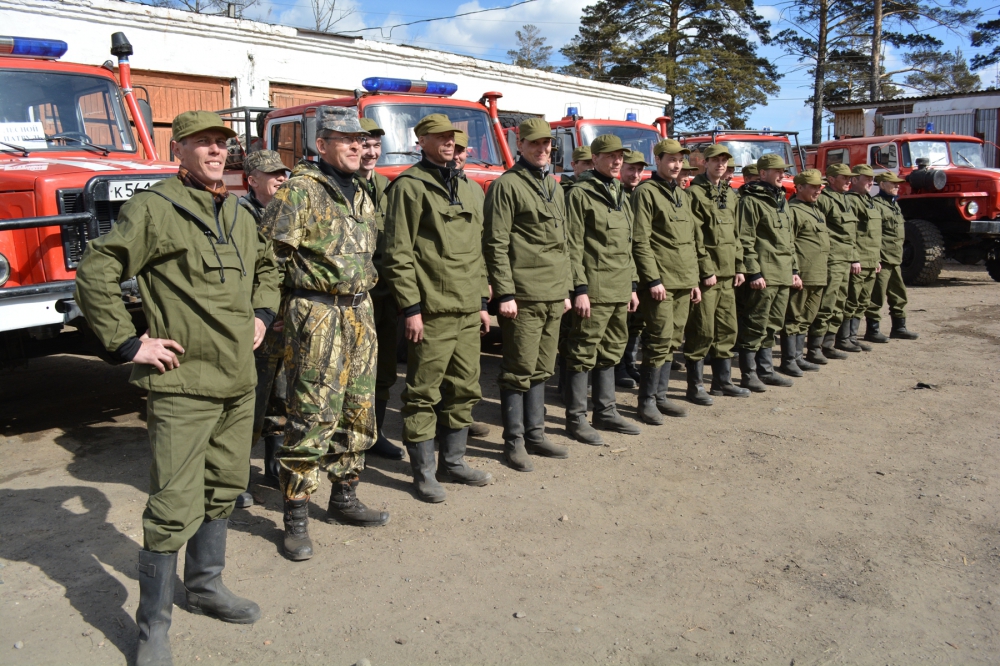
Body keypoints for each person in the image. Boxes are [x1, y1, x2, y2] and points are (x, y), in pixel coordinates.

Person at [74, 111, 280, 665]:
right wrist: (127, 343)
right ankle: (152, 629)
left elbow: (267, 266)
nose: (215, 151)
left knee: (224, 486)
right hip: (182, 382)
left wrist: (262, 312)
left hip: (239, 379)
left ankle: (207, 585)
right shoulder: (155, 208)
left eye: (222, 143)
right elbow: (96, 270)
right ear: (179, 150)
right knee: (171, 504)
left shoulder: (237, 211)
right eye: (202, 144)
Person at [261, 106, 389, 563]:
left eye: (362, 140)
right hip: (316, 312)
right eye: (346, 139)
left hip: (360, 311)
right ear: (322, 145)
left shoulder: (361, 191)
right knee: (312, 412)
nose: (358, 146)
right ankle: (295, 515)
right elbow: (269, 257)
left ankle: (345, 495)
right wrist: (269, 314)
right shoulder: (301, 191)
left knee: (359, 409)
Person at [383, 113, 494, 502]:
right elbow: (398, 253)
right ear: (422, 141)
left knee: (464, 387)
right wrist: (410, 307)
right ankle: (423, 471)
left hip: (466, 308)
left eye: (452, 137)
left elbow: (478, 253)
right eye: (440, 137)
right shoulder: (409, 188)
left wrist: (482, 302)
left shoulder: (471, 190)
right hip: (431, 310)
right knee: (423, 392)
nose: (449, 142)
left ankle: (454, 460)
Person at [483, 117, 572, 472]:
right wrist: (504, 293)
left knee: (542, 368)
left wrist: (566, 289)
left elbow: (565, 243)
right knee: (518, 369)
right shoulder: (509, 186)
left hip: (553, 294)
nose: (542, 149)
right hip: (524, 294)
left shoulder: (554, 184)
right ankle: (514, 441)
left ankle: (535, 434)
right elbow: (496, 242)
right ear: (520, 145)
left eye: (547, 144)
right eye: (534, 144)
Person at [564, 134, 641, 445]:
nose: (617, 161)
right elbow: (572, 245)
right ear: (594, 159)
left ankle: (606, 410)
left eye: (619, 155)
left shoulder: (620, 193)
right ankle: (576, 417)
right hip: (594, 290)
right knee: (582, 352)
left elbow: (628, 245)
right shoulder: (581, 194)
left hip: (619, 288)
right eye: (609, 156)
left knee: (611, 350)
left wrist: (633, 286)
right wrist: (579, 288)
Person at [630, 138, 705, 422]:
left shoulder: (682, 195)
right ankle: (646, 401)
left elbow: (689, 242)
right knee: (658, 339)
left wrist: (694, 280)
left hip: (683, 280)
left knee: (673, 340)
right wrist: (652, 279)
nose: (676, 165)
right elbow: (641, 240)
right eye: (671, 159)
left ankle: (660, 397)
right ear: (657, 159)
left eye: (680, 160)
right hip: (661, 282)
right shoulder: (646, 192)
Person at [235, 150, 290, 504]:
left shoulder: (288, 212)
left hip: (286, 322)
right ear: (252, 180)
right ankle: (235, 480)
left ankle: (274, 467)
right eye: (272, 175)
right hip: (256, 325)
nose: (281, 179)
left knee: (281, 401)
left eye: (283, 173)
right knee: (248, 406)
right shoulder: (238, 216)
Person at [684, 143, 749, 400]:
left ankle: (722, 381)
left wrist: (740, 266)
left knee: (727, 328)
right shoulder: (695, 194)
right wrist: (705, 269)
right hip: (709, 274)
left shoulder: (730, 194)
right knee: (702, 329)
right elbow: (695, 236)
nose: (720, 165)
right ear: (705, 163)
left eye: (724, 161)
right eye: (715, 160)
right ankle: (695, 385)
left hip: (728, 272)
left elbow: (736, 234)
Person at [357, 117, 406, 461]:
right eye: (364, 145)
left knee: (384, 366)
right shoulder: (337, 186)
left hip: (385, 292)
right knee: (350, 368)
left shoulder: (388, 186)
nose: (371, 152)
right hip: (353, 294)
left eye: (376, 146)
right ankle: (347, 436)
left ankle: (375, 434)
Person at [735, 153, 800, 391]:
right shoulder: (750, 201)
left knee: (772, 324)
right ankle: (749, 373)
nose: (783, 175)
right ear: (763, 174)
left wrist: (794, 269)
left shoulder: (781, 200)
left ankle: (766, 370)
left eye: (784, 171)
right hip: (764, 274)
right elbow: (745, 239)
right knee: (755, 323)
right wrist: (753, 272)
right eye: (777, 171)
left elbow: (789, 240)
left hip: (782, 274)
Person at [807, 163, 861, 364]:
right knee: (826, 303)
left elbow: (850, 234)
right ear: (830, 179)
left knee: (839, 302)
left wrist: (854, 256)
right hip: (831, 260)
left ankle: (829, 343)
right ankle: (814, 347)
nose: (849, 181)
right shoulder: (824, 200)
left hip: (844, 258)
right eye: (844, 177)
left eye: (850, 178)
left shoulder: (844, 199)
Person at [780, 169, 829, 376]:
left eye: (820, 187)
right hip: (804, 273)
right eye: (814, 187)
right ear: (799, 187)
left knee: (807, 317)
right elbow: (789, 244)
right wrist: (794, 271)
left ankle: (799, 357)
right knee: (793, 317)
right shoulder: (793, 210)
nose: (818, 190)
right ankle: (789, 360)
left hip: (818, 273)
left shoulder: (815, 210)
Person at [866, 172, 919, 341]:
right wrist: (876, 258)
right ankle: (872, 331)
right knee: (877, 296)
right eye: (893, 183)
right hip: (882, 259)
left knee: (899, 294)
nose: (898, 186)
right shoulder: (875, 205)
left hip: (895, 258)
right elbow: (872, 235)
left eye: (898, 183)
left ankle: (899, 327)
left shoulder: (894, 205)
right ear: (882, 184)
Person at [615, 149, 649, 389]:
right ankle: (618, 368)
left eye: (639, 170)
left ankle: (629, 363)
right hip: (624, 268)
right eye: (631, 169)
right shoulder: (618, 195)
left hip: (641, 267)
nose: (635, 174)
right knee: (622, 321)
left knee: (637, 322)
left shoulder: (641, 194)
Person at [840, 164, 882, 353]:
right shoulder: (851, 201)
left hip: (871, 260)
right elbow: (850, 233)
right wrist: (853, 258)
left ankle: (852, 337)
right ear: (854, 180)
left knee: (863, 301)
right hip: (858, 261)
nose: (871, 182)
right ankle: (844, 338)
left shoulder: (869, 201)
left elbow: (873, 234)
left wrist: (876, 259)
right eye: (866, 178)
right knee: (851, 300)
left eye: (872, 179)